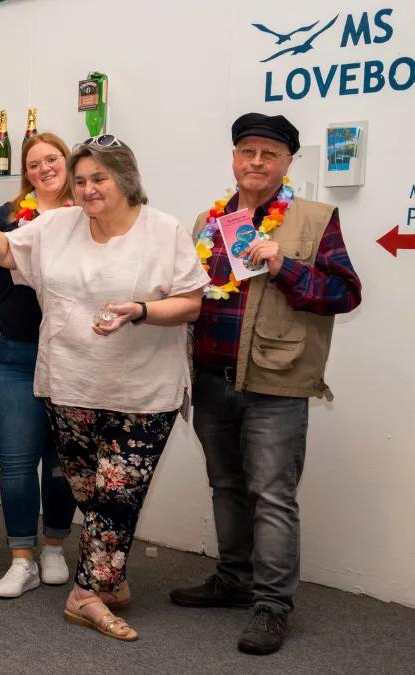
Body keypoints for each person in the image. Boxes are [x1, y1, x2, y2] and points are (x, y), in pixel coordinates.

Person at [0, 135, 210, 641]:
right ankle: (111, 580)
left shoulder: (162, 231)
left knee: (118, 494)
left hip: (143, 394)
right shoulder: (57, 225)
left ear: (125, 178)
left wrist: (140, 310)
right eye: (80, 181)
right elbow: (8, 250)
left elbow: (191, 302)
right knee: (91, 494)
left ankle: (85, 595)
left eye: (99, 178)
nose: (88, 189)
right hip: (69, 386)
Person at [170, 113, 362, 655]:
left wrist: (285, 266)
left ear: (288, 162)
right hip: (212, 377)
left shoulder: (315, 218)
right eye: (247, 151)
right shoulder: (209, 221)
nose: (256, 162)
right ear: (234, 158)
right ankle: (234, 580)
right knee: (226, 486)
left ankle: (272, 605)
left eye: (269, 154)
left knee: (273, 496)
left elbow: (345, 294)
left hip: (277, 380)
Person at [0, 131, 77, 598]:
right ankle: (21, 558)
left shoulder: (86, 214)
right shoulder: (6, 216)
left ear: (67, 161)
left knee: (63, 461)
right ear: (25, 173)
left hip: (73, 351)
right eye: (33, 164)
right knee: (15, 460)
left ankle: (53, 547)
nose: (44, 168)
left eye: (52, 159)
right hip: (12, 350)